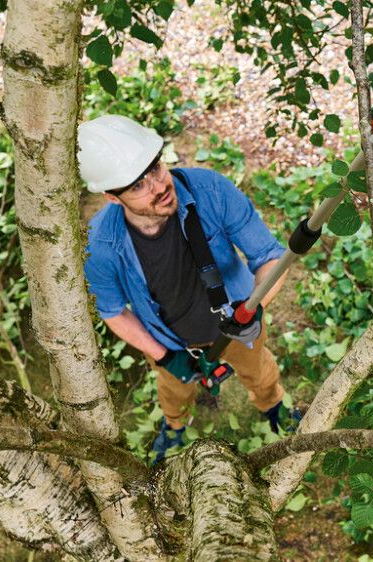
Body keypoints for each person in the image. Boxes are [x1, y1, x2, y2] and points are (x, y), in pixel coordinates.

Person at [79, 114, 294, 465]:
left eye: (156, 168)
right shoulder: (100, 244)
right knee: (174, 391)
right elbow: (113, 311)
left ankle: (273, 406)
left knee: (259, 372)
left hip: (238, 321)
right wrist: (164, 356)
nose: (159, 186)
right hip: (169, 340)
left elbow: (270, 257)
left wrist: (255, 308)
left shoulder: (211, 191)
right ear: (113, 198)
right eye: (137, 186)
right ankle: (176, 425)